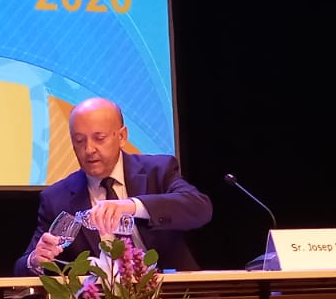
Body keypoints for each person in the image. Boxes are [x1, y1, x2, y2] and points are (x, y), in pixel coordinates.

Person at [16, 96, 211, 275]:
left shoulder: (158, 171)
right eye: (79, 140)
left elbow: (200, 208)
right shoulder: (57, 198)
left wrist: (132, 206)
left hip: (169, 294)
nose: (89, 149)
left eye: (99, 138)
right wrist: (36, 260)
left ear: (122, 136)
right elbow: (21, 269)